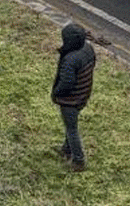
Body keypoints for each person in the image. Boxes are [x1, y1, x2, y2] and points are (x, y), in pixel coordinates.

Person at [52, 23, 97, 172]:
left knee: (71, 128)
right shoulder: (88, 49)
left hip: (70, 99)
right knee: (70, 123)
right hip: (83, 94)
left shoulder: (70, 60)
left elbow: (67, 83)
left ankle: (78, 160)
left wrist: (56, 92)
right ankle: (66, 149)